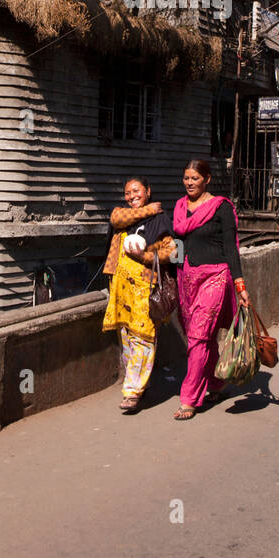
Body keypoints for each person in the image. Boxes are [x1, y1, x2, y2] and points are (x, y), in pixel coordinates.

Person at [171, 159, 249, 421]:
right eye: (186, 178)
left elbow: (231, 248)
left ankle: (189, 399)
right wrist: (173, 276)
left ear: (207, 179)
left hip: (215, 277)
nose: (189, 183)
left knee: (198, 337)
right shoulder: (181, 208)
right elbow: (178, 245)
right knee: (205, 336)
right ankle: (215, 384)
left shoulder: (221, 208)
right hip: (187, 279)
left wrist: (240, 285)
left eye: (194, 178)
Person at [102, 176, 176, 414]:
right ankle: (138, 384)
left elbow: (173, 250)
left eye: (137, 191)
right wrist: (146, 210)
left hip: (145, 286)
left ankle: (132, 392)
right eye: (128, 192)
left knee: (142, 337)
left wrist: (146, 257)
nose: (131, 196)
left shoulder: (161, 219)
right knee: (125, 338)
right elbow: (115, 218)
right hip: (121, 290)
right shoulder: (123, 217)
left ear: (148, 191)